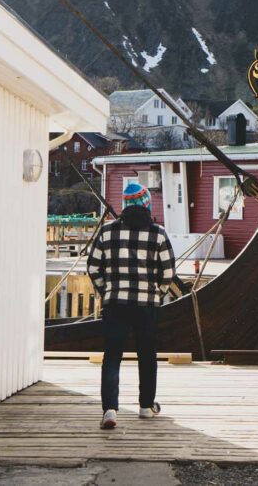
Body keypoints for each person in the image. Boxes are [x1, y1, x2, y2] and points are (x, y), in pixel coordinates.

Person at [87, 182, 176, 430]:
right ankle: (146, 406)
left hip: (115, 303)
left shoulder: (106, 232)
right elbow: (168, 271)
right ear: (146, 204)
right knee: (146, 355)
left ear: (125, 205)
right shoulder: (158, 234)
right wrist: (157, 292)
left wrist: (107, 289)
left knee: (112, 356)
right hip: (146, 305)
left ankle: (110, 410)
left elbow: (93, 267)